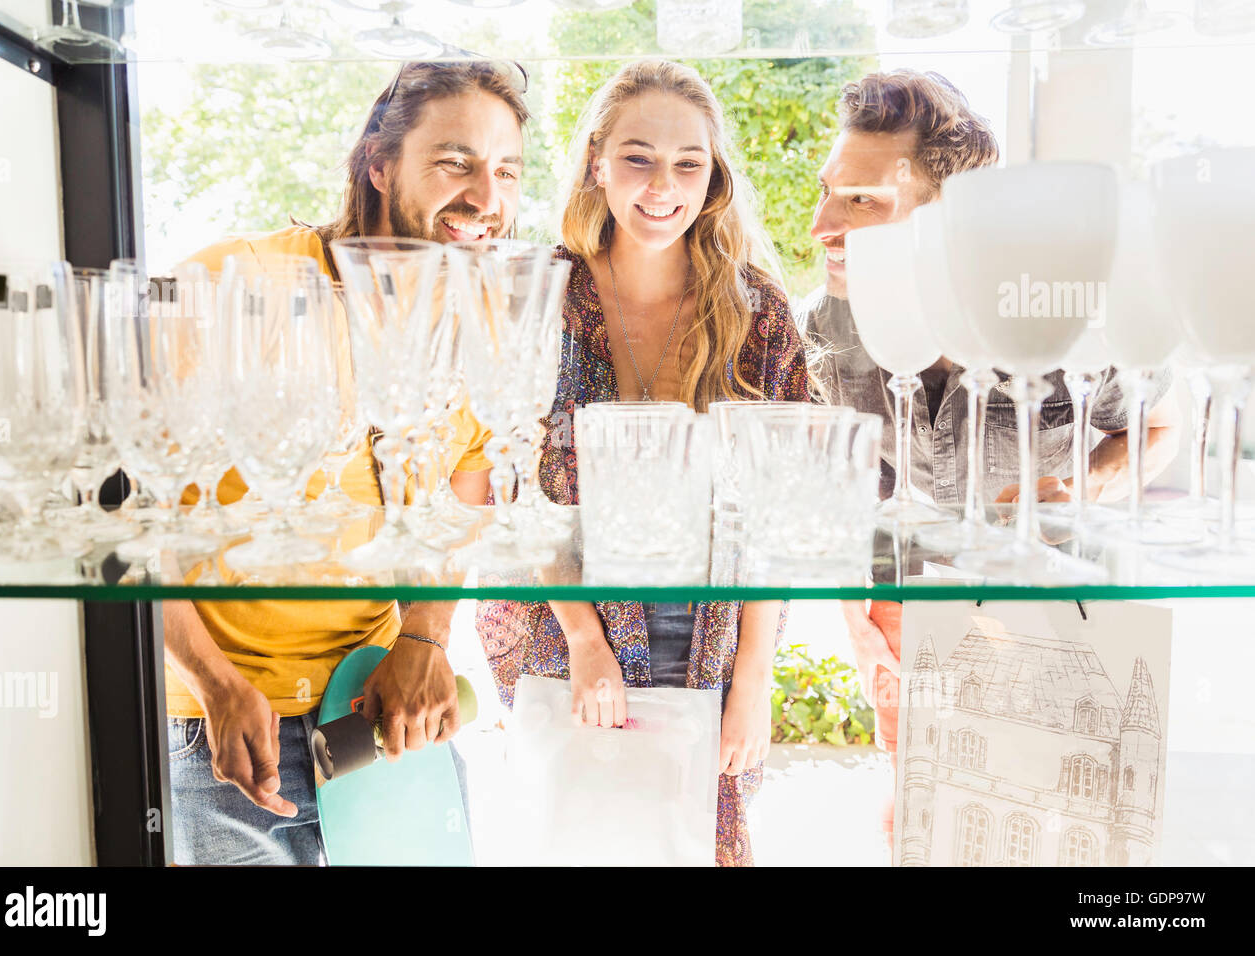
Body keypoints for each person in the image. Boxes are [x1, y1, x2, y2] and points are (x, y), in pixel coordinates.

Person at [796, 69, 1180, 843]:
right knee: (928, 828)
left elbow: (1159, 428)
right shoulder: (829, 327)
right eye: (828, 189)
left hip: (1054, 620)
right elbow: (845, 490)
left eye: (861, 200)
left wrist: (1086, 487)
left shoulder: (1065, 312)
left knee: (1066, 836)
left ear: (948, 221)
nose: (820, 225)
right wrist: (858, 614)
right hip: (910, 620)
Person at [162, 59, 528, 864]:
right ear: (378, 162)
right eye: (455, 162)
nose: (487, 199)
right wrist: (214, 687)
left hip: (377, 702)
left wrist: (426, 641)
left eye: (506, 170)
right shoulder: (234, 284)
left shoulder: (479, 314)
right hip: (220, 723)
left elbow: (462, 504)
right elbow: (128, 507)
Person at [476, 59, 810, 867]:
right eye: (638, 157)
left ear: (713, 174)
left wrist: (755, 683)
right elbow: (515, 491)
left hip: (713, 631)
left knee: (699, 841)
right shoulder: (539, 294)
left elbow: (778, 515)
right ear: (597, 160)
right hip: (559, 623)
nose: (664, 185)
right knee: (581, 837)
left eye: (688, 163)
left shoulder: (757, 310)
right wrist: (586, 641)